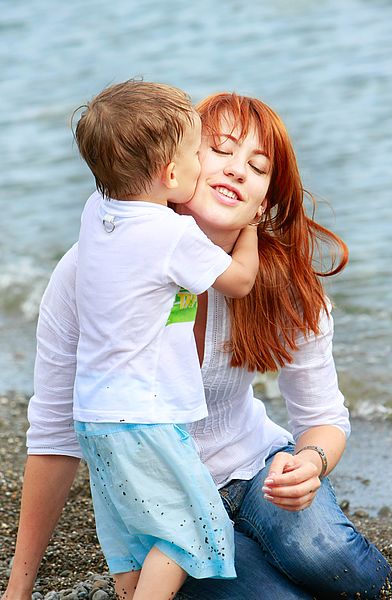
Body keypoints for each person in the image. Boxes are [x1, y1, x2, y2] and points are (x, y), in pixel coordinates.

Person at [2, 92, 392, 600]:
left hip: (256, 466)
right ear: (174, 164)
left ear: (265, 203)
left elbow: (322, 416)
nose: (236, 171)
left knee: (339, 564)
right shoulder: (91, 269)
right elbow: (55, 433)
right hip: (163, 497)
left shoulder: (282, 284)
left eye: (257, 167)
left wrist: (312, 462)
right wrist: (19, 588)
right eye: (220, 149)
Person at [52, 80, 263, 599]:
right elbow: (239, 282)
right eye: (197, 152)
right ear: (171, 174)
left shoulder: (95, 213)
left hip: (93, 413)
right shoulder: (172, 237)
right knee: (194, 527)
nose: (201, 163)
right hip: (145, 413)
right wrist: (253, 224)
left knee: (129, 529)